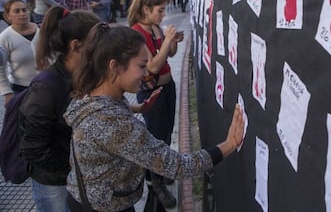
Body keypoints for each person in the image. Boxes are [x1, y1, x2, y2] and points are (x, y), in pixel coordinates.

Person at [64, 23, 244, 211]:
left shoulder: (91, 93)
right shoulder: (114, 123)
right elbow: (177, 165)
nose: (147, 73)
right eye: (142, 66)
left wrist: (137, 108)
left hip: (91, 199)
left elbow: (105, 114)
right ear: (114, 66)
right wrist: (229, 144)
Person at [18, 7, 102, 212]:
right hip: (55, 183)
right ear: (76, 46)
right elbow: (33, 148)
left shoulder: (86, 76)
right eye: (98, 43)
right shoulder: (45, 88)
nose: (103, 49)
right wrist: (74, 169)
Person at [128, 0, 184, 208]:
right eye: (160, 11)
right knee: (156, 136)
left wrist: (172, 41)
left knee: (167, 131)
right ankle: (155, 181)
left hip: (167, 86)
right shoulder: (136, 33)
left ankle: (164, 169)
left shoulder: (155, 28)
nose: (163, 14)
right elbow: (152, 66)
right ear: (146, 9)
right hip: (152, 91)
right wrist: (167, 41)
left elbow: (169, 55)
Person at [0, 0, 39, 105]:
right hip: (21, 89)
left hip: (46, 85)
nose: (22, 14)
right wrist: (7, 92)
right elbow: (0, 68)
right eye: (17, 11)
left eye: (24, 10)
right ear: (8, 16)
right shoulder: (5, 38)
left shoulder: (42, 31)